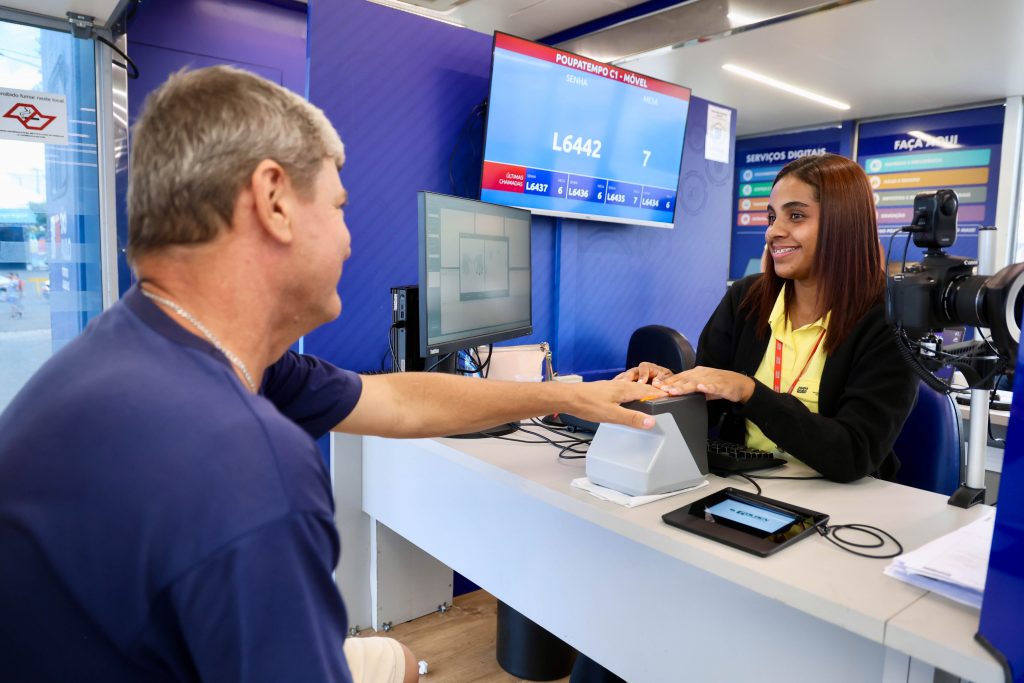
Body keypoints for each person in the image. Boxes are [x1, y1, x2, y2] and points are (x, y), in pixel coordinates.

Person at [0, 66, 667, 683]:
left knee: (398, 658)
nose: (350, 237)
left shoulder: (142, 348)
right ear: (275, 201)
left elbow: (398, 400)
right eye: (341, 206)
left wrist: (563, 393)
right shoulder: (247, 458)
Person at [619, 153, 918, 483]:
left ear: (843, 223)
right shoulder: (747, 299)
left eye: (796, 216)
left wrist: (748, 391)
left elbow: (854, 453)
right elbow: (708, 408)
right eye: (772, 217)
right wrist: (666, 389)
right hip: (743, 485)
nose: (773, 232)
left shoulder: (890, 320)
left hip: (840, 504)